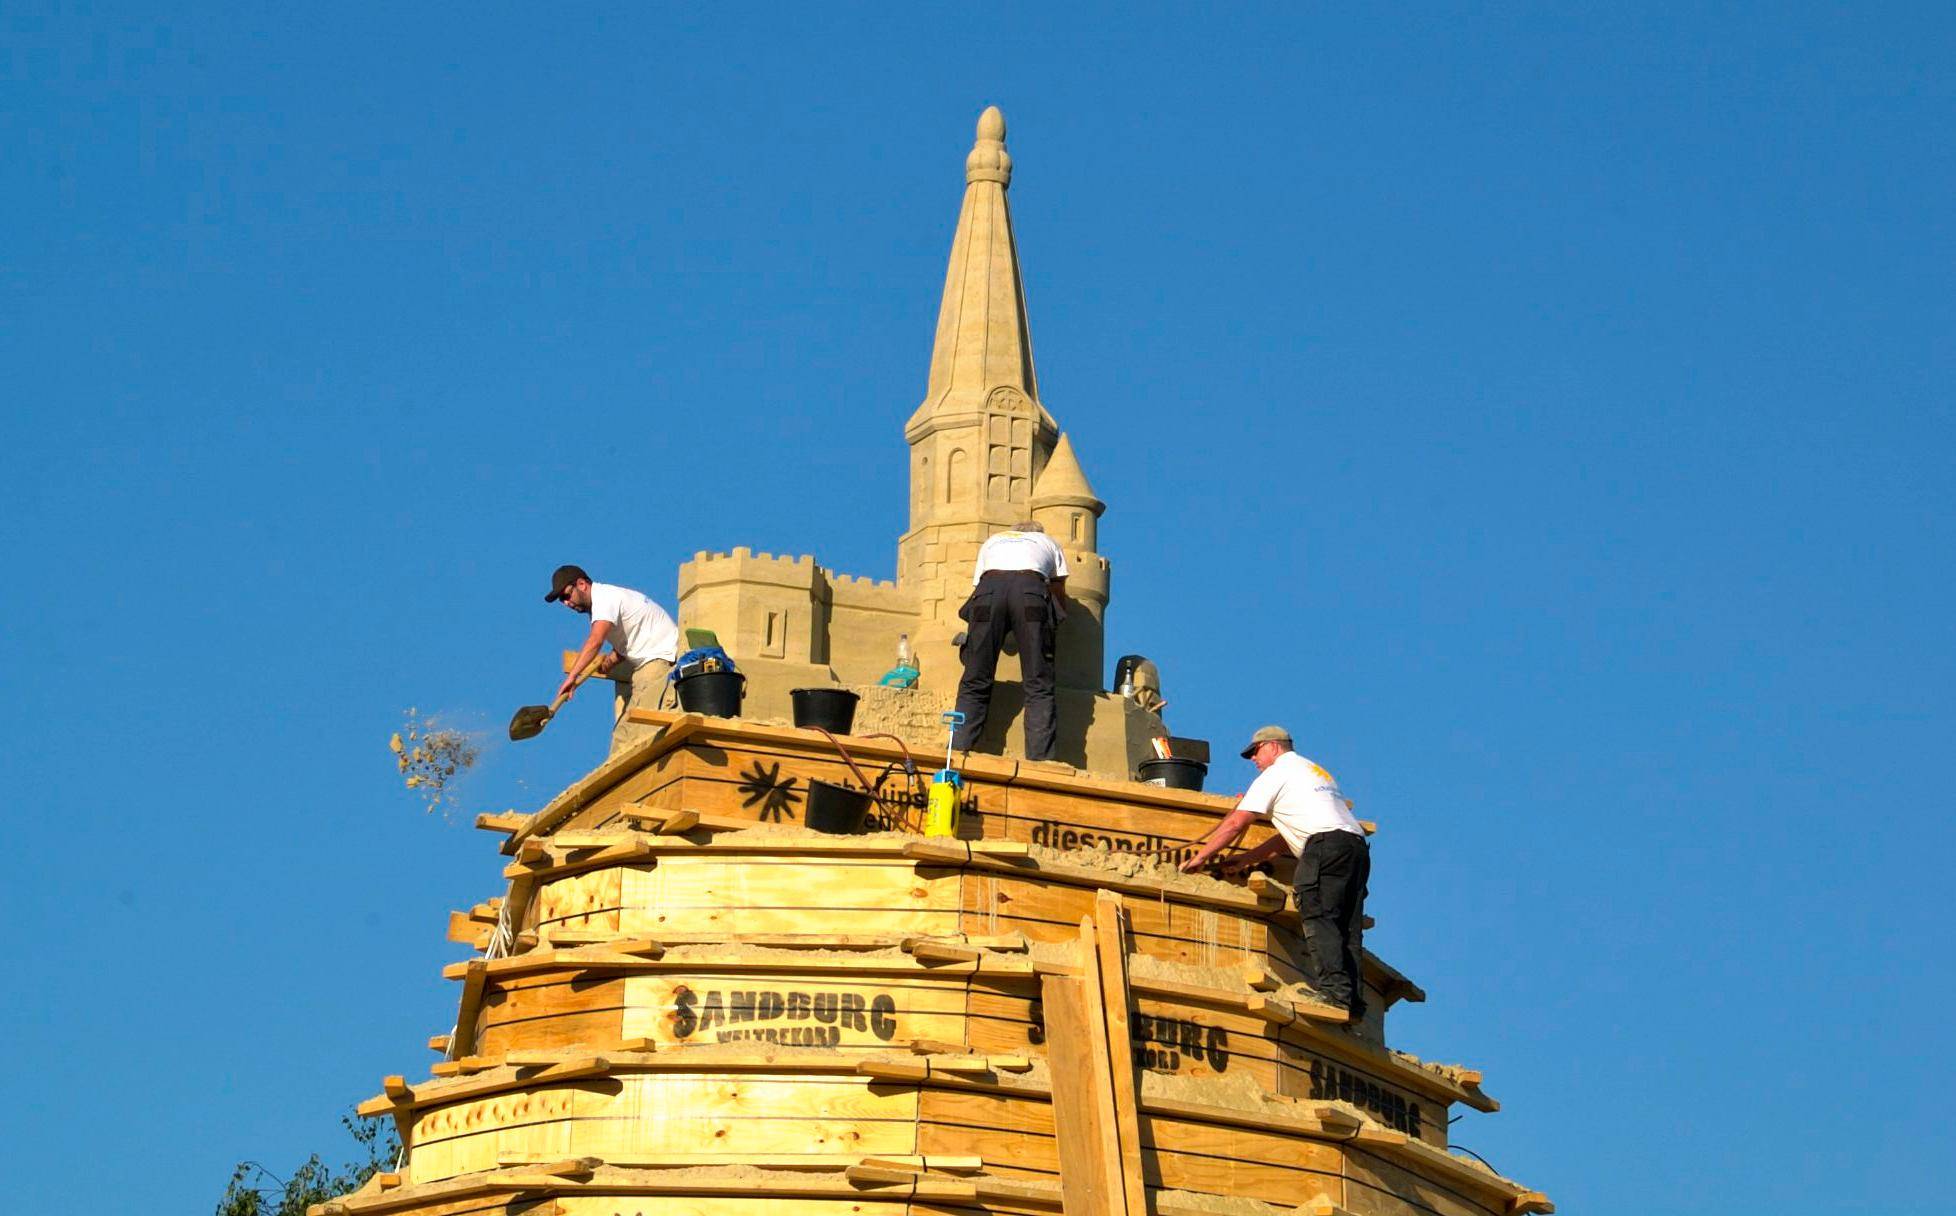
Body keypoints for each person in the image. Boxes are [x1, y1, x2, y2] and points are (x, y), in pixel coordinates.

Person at [1181, 725, 1370, 1024]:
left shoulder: (1274, 774)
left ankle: (1334, 995)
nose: (1253, 759)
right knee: (1346, 925)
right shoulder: (1312, 771)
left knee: (1318, 912)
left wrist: (1201, 856)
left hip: (1323, 847)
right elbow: (1285, 837)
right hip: (1354, 847)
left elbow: (1235, 824)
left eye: (1255, 752)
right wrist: (1246, 860)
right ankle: (1353, 1004)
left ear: (1273, 747)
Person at [952, 522, 1069, 762]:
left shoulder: (992, 541)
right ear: (1036, 534)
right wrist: (1048, 631)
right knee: (1038, 685)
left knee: (975, 679)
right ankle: (1040, 761)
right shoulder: (1048, 542)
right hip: (1031, 592)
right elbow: (1057, 592)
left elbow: (981, 590)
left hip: (988, 591)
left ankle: (956, 749)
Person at [544, 564, 680, 756]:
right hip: (652, 658)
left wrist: (572, 677)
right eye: (561, 601)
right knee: (624, 735)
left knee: (634, 733)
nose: (566, 603)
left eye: (566, 596)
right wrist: (612, 660)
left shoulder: (604, 599)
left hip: (657, 661)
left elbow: (595, 641)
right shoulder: (604, 602)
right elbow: (632, 636)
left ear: (581, 584)